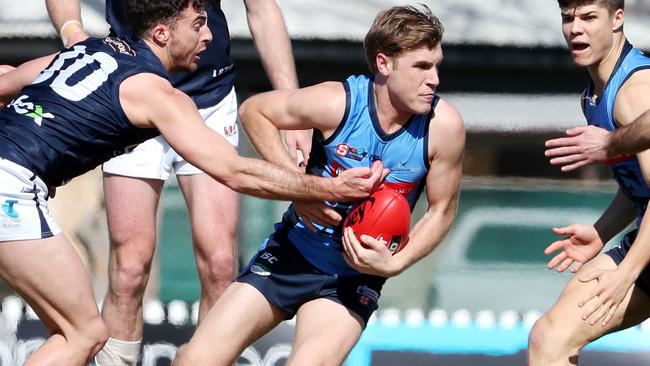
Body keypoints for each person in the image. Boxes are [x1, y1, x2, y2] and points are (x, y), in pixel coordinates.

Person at [0, 0, 386, 364]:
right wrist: (329, 189)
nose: (210, 36)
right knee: (82, 333)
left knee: (67, 327)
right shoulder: (155, 94)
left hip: (13, 181)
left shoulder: (83, 52)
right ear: (164, 33)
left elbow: (6, 79)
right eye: (198, 25)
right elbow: (234, 171)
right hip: (11, 190)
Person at [172, 5, 465, 366]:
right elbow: (254, 112)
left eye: (436, 65)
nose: (434, 79)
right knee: (194, 361)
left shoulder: (444, 127)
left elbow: (442, 211)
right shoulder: (338, 102)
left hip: (352, 279)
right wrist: (299, 187)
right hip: (292, 254)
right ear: (384, 64)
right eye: (422, 67)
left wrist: (396, 263)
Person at [42, 0, 311, 364]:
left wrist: (291, 109)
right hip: (133, 93)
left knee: (219, 263)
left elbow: (262, 10)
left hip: (209, 99)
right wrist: (72, 32)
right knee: (130, 268)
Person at [528, 1, 650, 365]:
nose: (575, 29)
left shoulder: (635, 91)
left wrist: (625, 274)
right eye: (568, 18)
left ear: (617, 19)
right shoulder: (596, 92)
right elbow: (640, 187)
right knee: (549, 339)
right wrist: (601, 232)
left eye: (588, 17)